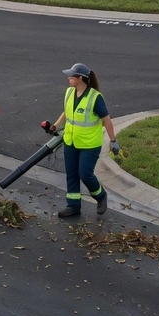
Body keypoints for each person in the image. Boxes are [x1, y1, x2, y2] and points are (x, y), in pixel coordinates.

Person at [48, 62, 119, 218]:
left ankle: (100, 196)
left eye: (71, 76)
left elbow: (106, 120)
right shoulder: (69, 93)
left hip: (89, 144)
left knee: (85, 174)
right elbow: (67, 111)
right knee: (72, 174)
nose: (69, 78)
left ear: (80, 78)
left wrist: (113, 140)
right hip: (71, 141)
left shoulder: (95, 98)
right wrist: (55, 125)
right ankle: (73, 206)